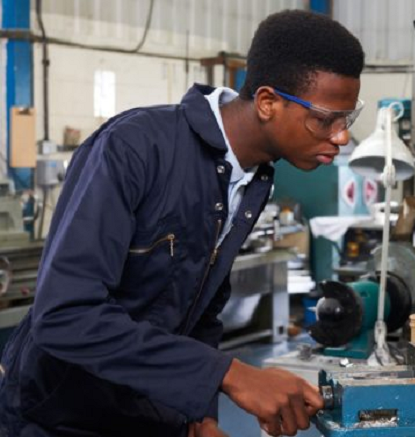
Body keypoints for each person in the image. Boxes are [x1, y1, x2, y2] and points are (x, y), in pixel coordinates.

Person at [0, 9, 364, 437]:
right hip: (58, 417)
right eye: (325, 119)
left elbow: (200, 310)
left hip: (146, 414)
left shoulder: (254, 178)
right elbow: (65, 314)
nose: (341, 136)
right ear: (267, 102)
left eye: (347, 119)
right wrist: (230, 375)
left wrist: (199, 414)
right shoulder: (134, 148)